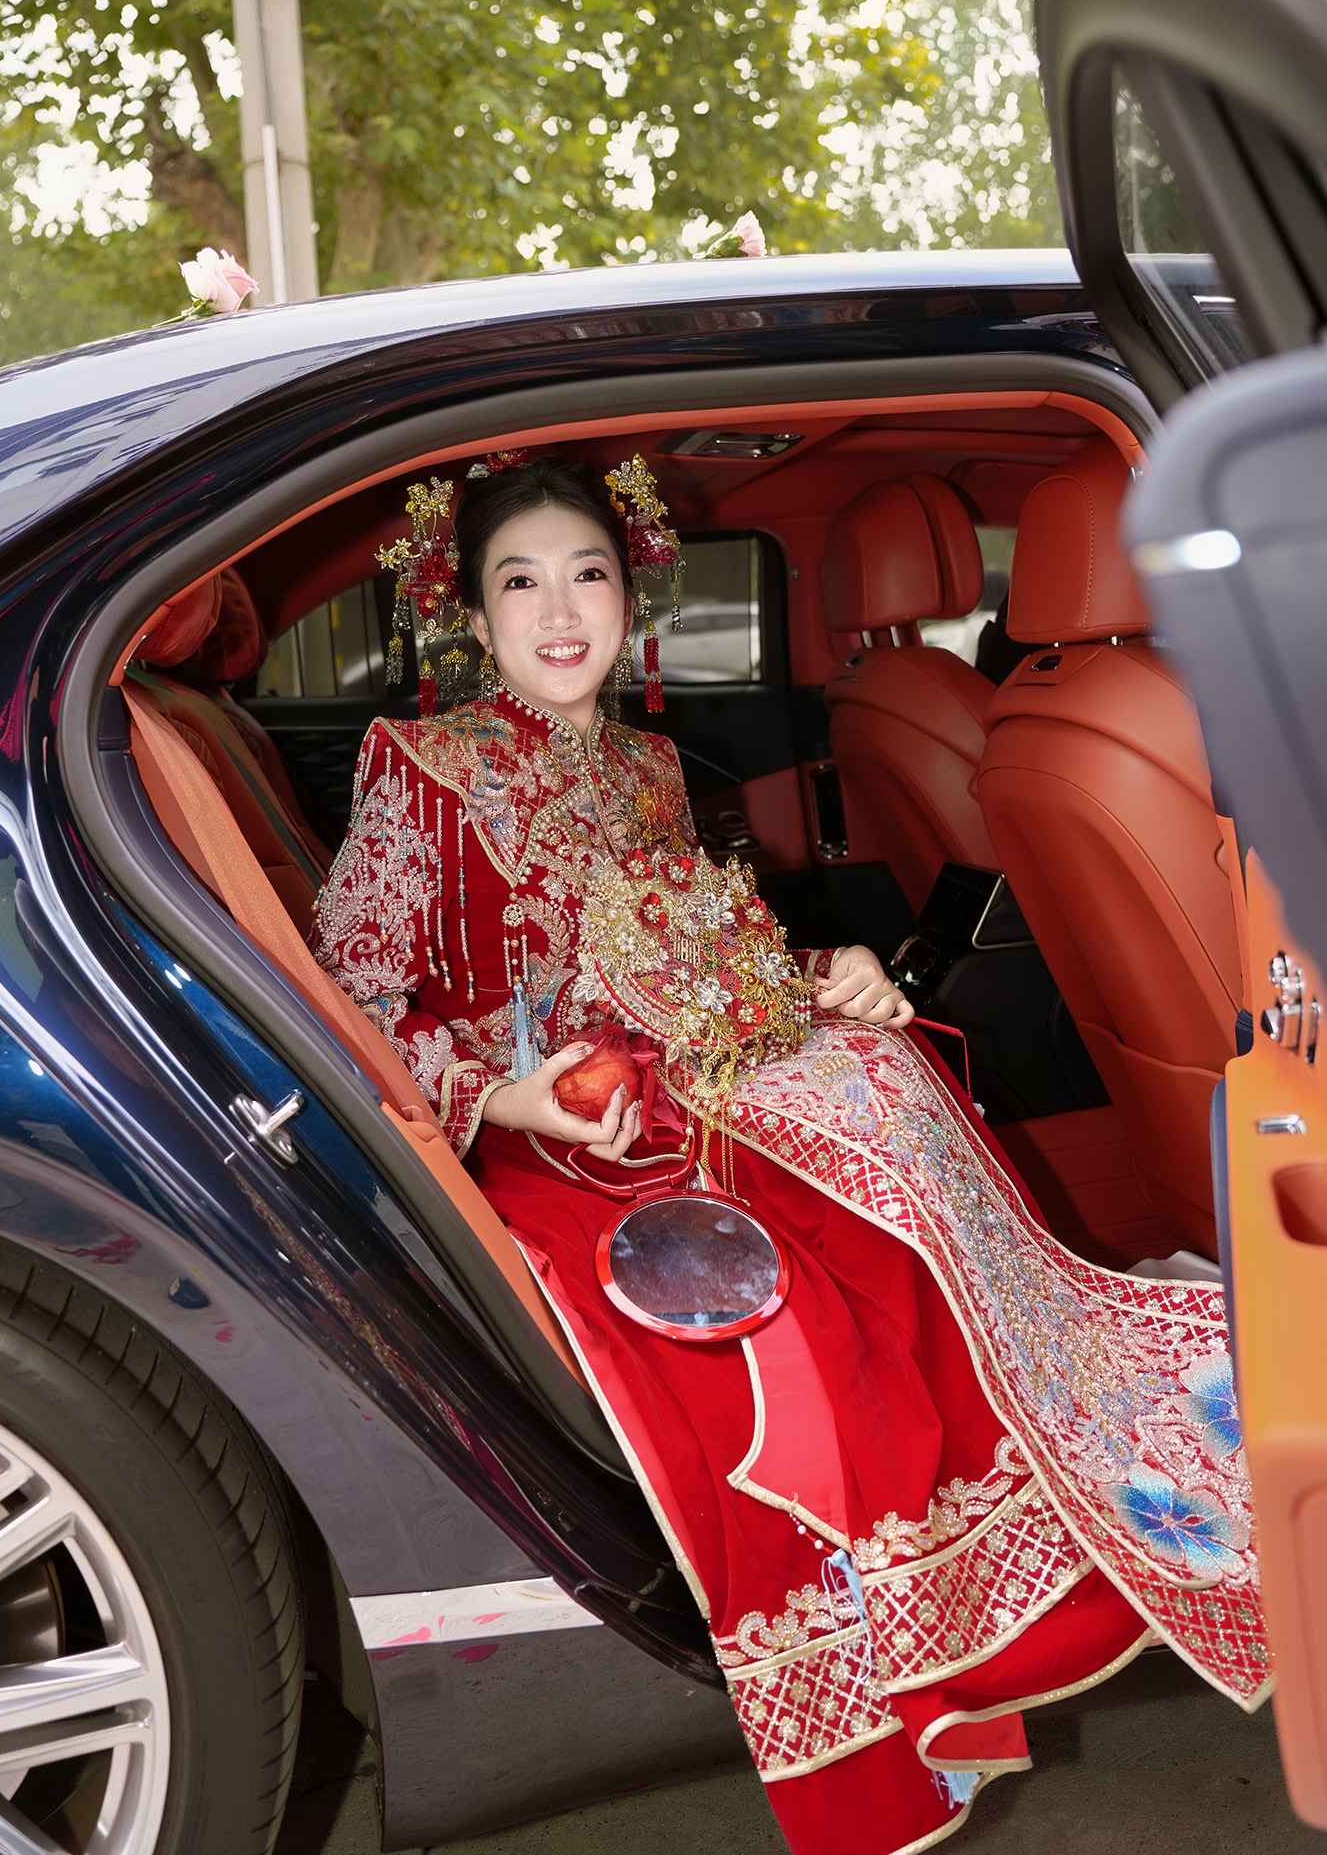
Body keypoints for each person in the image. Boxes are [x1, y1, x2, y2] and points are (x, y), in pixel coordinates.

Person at [313, 455, 1268, 1855]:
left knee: (898, 1098)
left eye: (588, 574)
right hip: (553, 1139)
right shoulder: (422, 767)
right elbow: (349, 1001)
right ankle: (893, 1661)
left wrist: (830, 974)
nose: (560, 612)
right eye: (521, 583)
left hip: (691, 1086)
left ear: (632, 596)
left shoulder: (644, 763)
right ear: (472, 612)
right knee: (807, 1290)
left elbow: (709, 955)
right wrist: (500, 1098)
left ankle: (992, 1560)